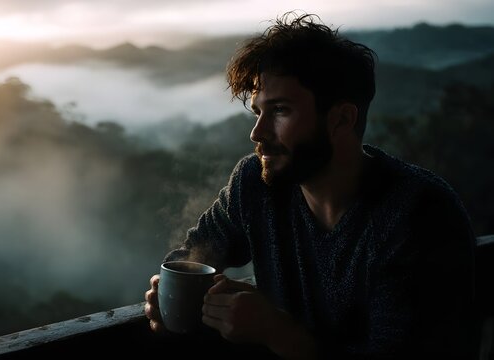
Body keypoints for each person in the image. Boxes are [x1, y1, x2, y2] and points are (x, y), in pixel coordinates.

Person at [143, 12, 478, 359]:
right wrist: (166, 292)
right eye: (257, 111)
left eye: (280, 111)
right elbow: (195, 255)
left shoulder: (418, 216)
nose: (257, 133)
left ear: (341, 119)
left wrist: (278, 332)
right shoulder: (255, 184)